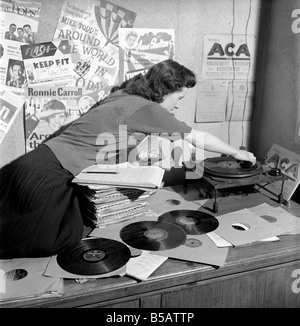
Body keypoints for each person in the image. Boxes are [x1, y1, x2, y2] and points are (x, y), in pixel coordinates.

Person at [0, 59, 256, 259]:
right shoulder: (148, 109)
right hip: (47, 173)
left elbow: (112, 136)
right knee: (45, 241)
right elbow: (195, 136)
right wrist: (237, 153)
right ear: (166, 90)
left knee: (69, 231)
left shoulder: (123, 96)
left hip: (41, 163)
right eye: (180, 97)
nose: (178, 105)